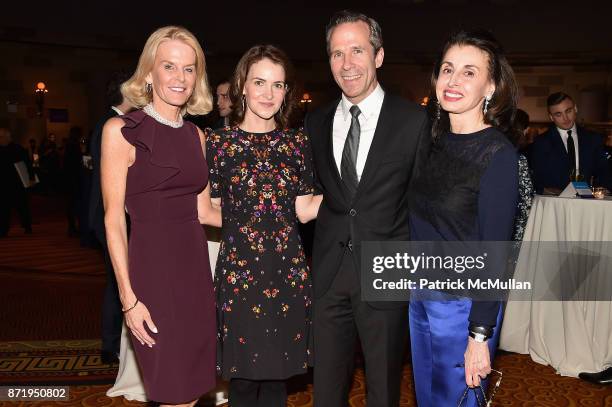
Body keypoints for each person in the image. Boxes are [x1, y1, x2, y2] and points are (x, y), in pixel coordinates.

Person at [304, 10, 430, 407]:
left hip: (386, 273)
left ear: (377, 56)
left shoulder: (415, 121)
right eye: (337, 54)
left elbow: (425, 204)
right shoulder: (315, 121)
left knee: (383, 389)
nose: (347, 64)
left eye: (357, 50)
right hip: (327, 276)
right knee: (325, 390)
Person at [101, 25, 221, 406]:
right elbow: (113, 220)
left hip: (195, 273)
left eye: (189, 69)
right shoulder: (121, 131)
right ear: (149, 72)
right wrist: (128, 299)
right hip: (152, 273)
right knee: (172, 389)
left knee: (190, 390)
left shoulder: (195, 137)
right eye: (169, 66)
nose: (180, 78)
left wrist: (269, 211)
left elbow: (206, 211)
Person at [408, 29, 519, 406]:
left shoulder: (497, 155)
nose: (453, 81)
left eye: (469, 72)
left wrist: (480, 335)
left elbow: (496, 251)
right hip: (419, 296)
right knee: (428, 398)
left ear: (491, 87)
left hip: (462, 308)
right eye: (447, 69)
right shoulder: (433, 142)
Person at [207, 44, 321, 407]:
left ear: (286, 91)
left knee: (277, 379)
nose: (268, 94)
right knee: (241, 380)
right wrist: (252, 220)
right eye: (259, 82)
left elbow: (304, 209)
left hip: (286, 272)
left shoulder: (296, 143)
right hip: (240, 274)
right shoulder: (219, 144)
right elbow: (208, 211)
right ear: (242, 85)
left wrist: (355, 193)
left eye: (278, 85)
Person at [89, 69, 133, 364]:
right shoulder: (112, 125)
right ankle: (111, 345)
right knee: (118, 281)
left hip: (105, 213)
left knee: (115, 281)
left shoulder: (111, 122)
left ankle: (113, 344)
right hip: (109, 215)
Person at [529, 92, 611, 194]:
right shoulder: (541, 143)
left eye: (568, 111)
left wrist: (604, 189)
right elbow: (535, 177)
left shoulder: (593, 139)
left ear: (575, 109)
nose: (565, 118)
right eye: (558, 114)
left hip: (588, 200)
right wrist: (544, 190)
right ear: (551, 117)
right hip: (556, 201)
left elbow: (604, 171)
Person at [0, 127, 33, 237]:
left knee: (22, 207)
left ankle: (27, 226)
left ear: (7, 137)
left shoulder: (18, 149)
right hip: (4, 184)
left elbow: (27, 166)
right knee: (4, 208)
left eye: (1, 137)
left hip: (17, 184)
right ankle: (3, 230)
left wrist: (29, 182)